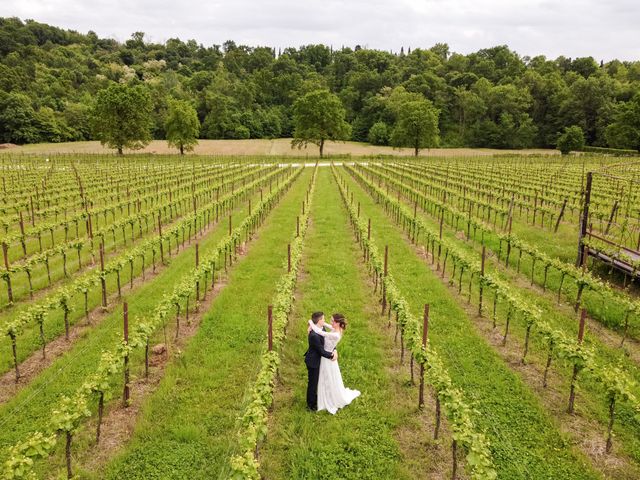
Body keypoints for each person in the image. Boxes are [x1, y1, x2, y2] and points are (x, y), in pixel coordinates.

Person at [307, 313, 360, 414]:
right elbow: (324, 325)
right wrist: (314, 324)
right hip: (327, 356)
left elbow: (320, 332)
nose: (330, 322)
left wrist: (310, 322)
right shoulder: (336, 328)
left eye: (332, 321)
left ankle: (328, 398)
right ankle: (324, 395)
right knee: (327, 377)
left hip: (327, 358)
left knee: (326, 378)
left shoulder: (335, 334)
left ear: (337, 323)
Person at [304, 311, 336, 411]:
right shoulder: (314, 335)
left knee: (317, 381)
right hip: (313, 362)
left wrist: (334, 349)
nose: (324, 320)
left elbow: (327, 342)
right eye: (323, 319)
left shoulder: (321, 328)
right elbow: (321, 351)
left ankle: (317, 398)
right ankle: (311, 405)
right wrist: (332, 356)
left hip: (318, 359)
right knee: (312, 383)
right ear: (319, 321)